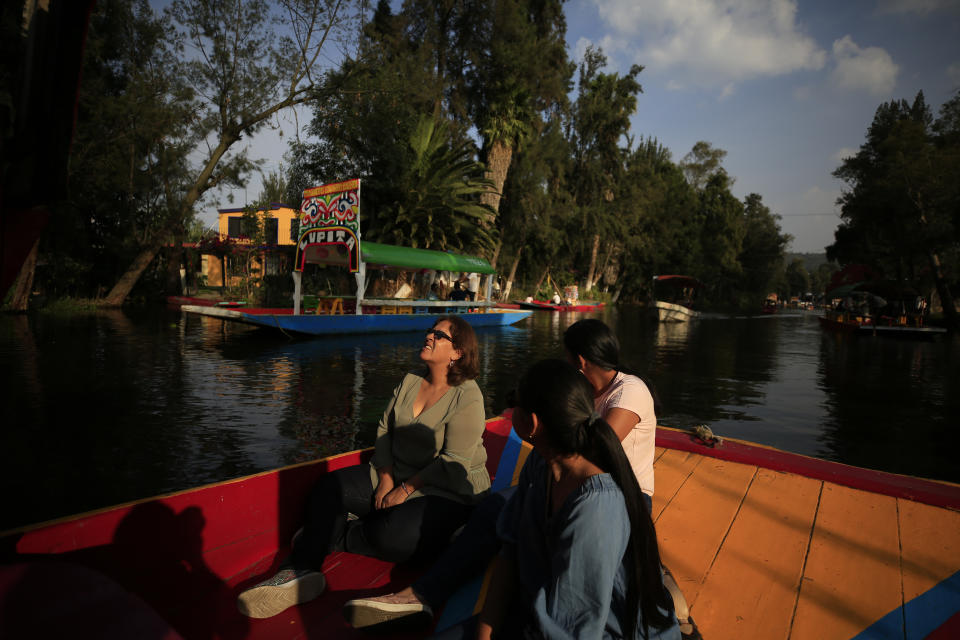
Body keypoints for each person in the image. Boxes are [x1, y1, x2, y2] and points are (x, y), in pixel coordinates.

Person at [344, 319, 666, 629]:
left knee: (543, 547)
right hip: (565, 479)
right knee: (494, 510)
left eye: (565, 358)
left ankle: (657, 587)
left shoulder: (630, 391)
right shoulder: (578, 392)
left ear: (578, 361)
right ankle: (423, 593)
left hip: (624, 497)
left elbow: (595, 452)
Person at [237, 316, 491, 619]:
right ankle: (300, 571)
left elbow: (454, 461)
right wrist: (385, 480)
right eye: (430, 331)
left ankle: (337, 535)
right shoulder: (411, 380)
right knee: (330, 486)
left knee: (394, 537)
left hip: (446, 488)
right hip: (396, 471)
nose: (429, 336)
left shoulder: (468, 395)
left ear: (457, 352)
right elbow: (384, 429)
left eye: (439, 335)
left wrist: (405, 489)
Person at [442, 360, 679, 639]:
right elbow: (510, 549)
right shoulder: (541, 464)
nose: (508, 410)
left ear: (532, 423)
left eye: (512, 402)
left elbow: (574, 628)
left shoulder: (595, 507)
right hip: (538, 615)